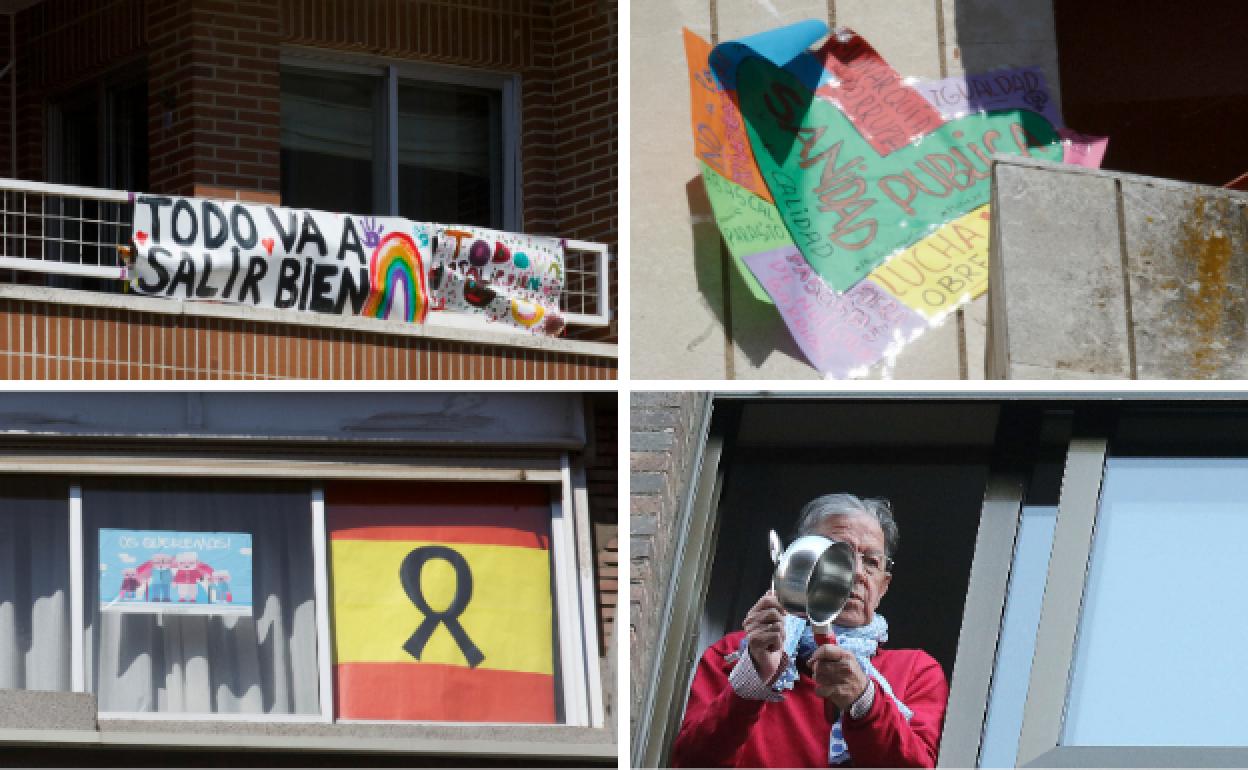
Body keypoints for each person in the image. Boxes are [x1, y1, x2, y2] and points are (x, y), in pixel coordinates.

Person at [671, 494, 948, 768]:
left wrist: (865, 701)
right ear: (800, 561)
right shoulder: (737, 654)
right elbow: (692, 762)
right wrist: (754, 679)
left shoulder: (915, 672)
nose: (857, 573)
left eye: (872, 562)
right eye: (839, 555)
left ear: (884, 586)